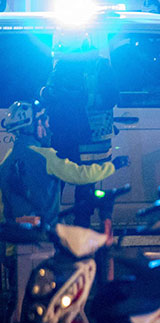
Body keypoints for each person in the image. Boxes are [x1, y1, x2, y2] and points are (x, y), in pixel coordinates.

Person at [0, 101, 127, 227]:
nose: (48, 127)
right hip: (43, 233)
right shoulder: (46, 156)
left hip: (14, 234)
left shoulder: (6, 160)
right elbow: (80, 175)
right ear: (32, 127)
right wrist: (112, 166)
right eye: (43, 122)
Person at [41, 30, 119, 226]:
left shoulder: (61, 67)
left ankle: (50, 227)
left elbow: (47, 96)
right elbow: (113, 97)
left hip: (64, 135)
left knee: (55, 183)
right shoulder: (100, 65)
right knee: (86, 185)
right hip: (92, 137)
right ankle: (82, 228)